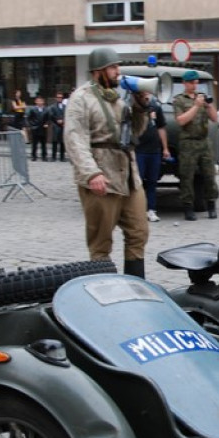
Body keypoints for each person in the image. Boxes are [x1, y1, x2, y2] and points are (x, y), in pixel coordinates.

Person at [64, 47, 149, 276]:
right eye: (112, 67)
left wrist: (141, 107)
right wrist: (91, 173)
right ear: (98, 71)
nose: (117, 72)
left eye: (117, 67)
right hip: (102, 176)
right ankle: (105, 290)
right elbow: (74, 139)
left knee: (139, 232)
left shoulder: (119, 101)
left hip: (128, 176)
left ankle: (135, 285)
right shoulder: (81, 98)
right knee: (100, 242)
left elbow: (135, 134)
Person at [172, 70, 219, 220]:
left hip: (203, 141)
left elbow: (215, 118)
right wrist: (196, 106)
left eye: (196, 82)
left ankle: (211, 205)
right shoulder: (179, 100)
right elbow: (181, 120)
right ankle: (188, 207)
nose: (194, 85)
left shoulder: (201, 98)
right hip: (188, 142)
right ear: (185, 83)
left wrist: (208, 105)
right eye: (192, 83)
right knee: (187, 176)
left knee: (209, 175)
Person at [135, 91, 168, 223]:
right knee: (139, 181)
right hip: (140, 149)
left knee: (152, 182)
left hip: (154, 150)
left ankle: (151, 210)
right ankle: (138, 210)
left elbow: (161, 128)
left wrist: (165, 148)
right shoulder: (136, 108)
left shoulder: (156, 107)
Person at [26, 95, 49, 161]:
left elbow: (48, 118)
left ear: (43, 102)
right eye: (38, 101)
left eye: (41, 101)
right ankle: (34, 156)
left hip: (43, 129)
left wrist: (46, 123)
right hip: (35, 128)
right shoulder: (33, 110)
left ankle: (44, 156)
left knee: (43, 144)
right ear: (36, 102)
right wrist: (31, 125)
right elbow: (28, 118)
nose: (39, 102)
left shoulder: (46, 110)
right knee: (34, 144)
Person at [47, 91, 67, 161]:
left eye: (61, 97)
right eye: (58, 97)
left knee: (62, 143)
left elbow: (67, 115)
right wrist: (57, 120)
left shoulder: (65, 107)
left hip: (63, 126)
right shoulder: (53, 107)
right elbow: (51, 115)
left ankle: (62, 157)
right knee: (55, 142)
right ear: (56, 98)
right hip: (55, 126)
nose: (59, 99)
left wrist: (63, 120)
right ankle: (53, 157)